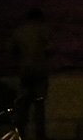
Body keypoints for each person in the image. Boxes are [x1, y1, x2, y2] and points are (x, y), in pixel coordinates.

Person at [11, 7, 51, 140]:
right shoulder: (44, 30)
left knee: (23, 105)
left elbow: (12, 51)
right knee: (39, 105)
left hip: (25, 72)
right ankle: (40, 136)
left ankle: (21, 134)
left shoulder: (18, 32)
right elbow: (51, 49)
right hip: (39, 72)